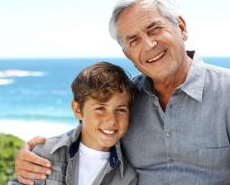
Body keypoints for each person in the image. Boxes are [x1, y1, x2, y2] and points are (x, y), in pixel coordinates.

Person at [14, 0, 230, 184]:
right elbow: (94, 130)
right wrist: (37, 153)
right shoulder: (127, 98)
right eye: (134, 40)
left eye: (154, 29)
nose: (149, 45)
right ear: (127, 53)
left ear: (181, 27)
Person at [10, 62, 138, 185]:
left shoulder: (127, 177)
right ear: (77, 110)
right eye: (100, 108)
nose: (111, 120)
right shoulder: (44, 153)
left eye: (120, 110)